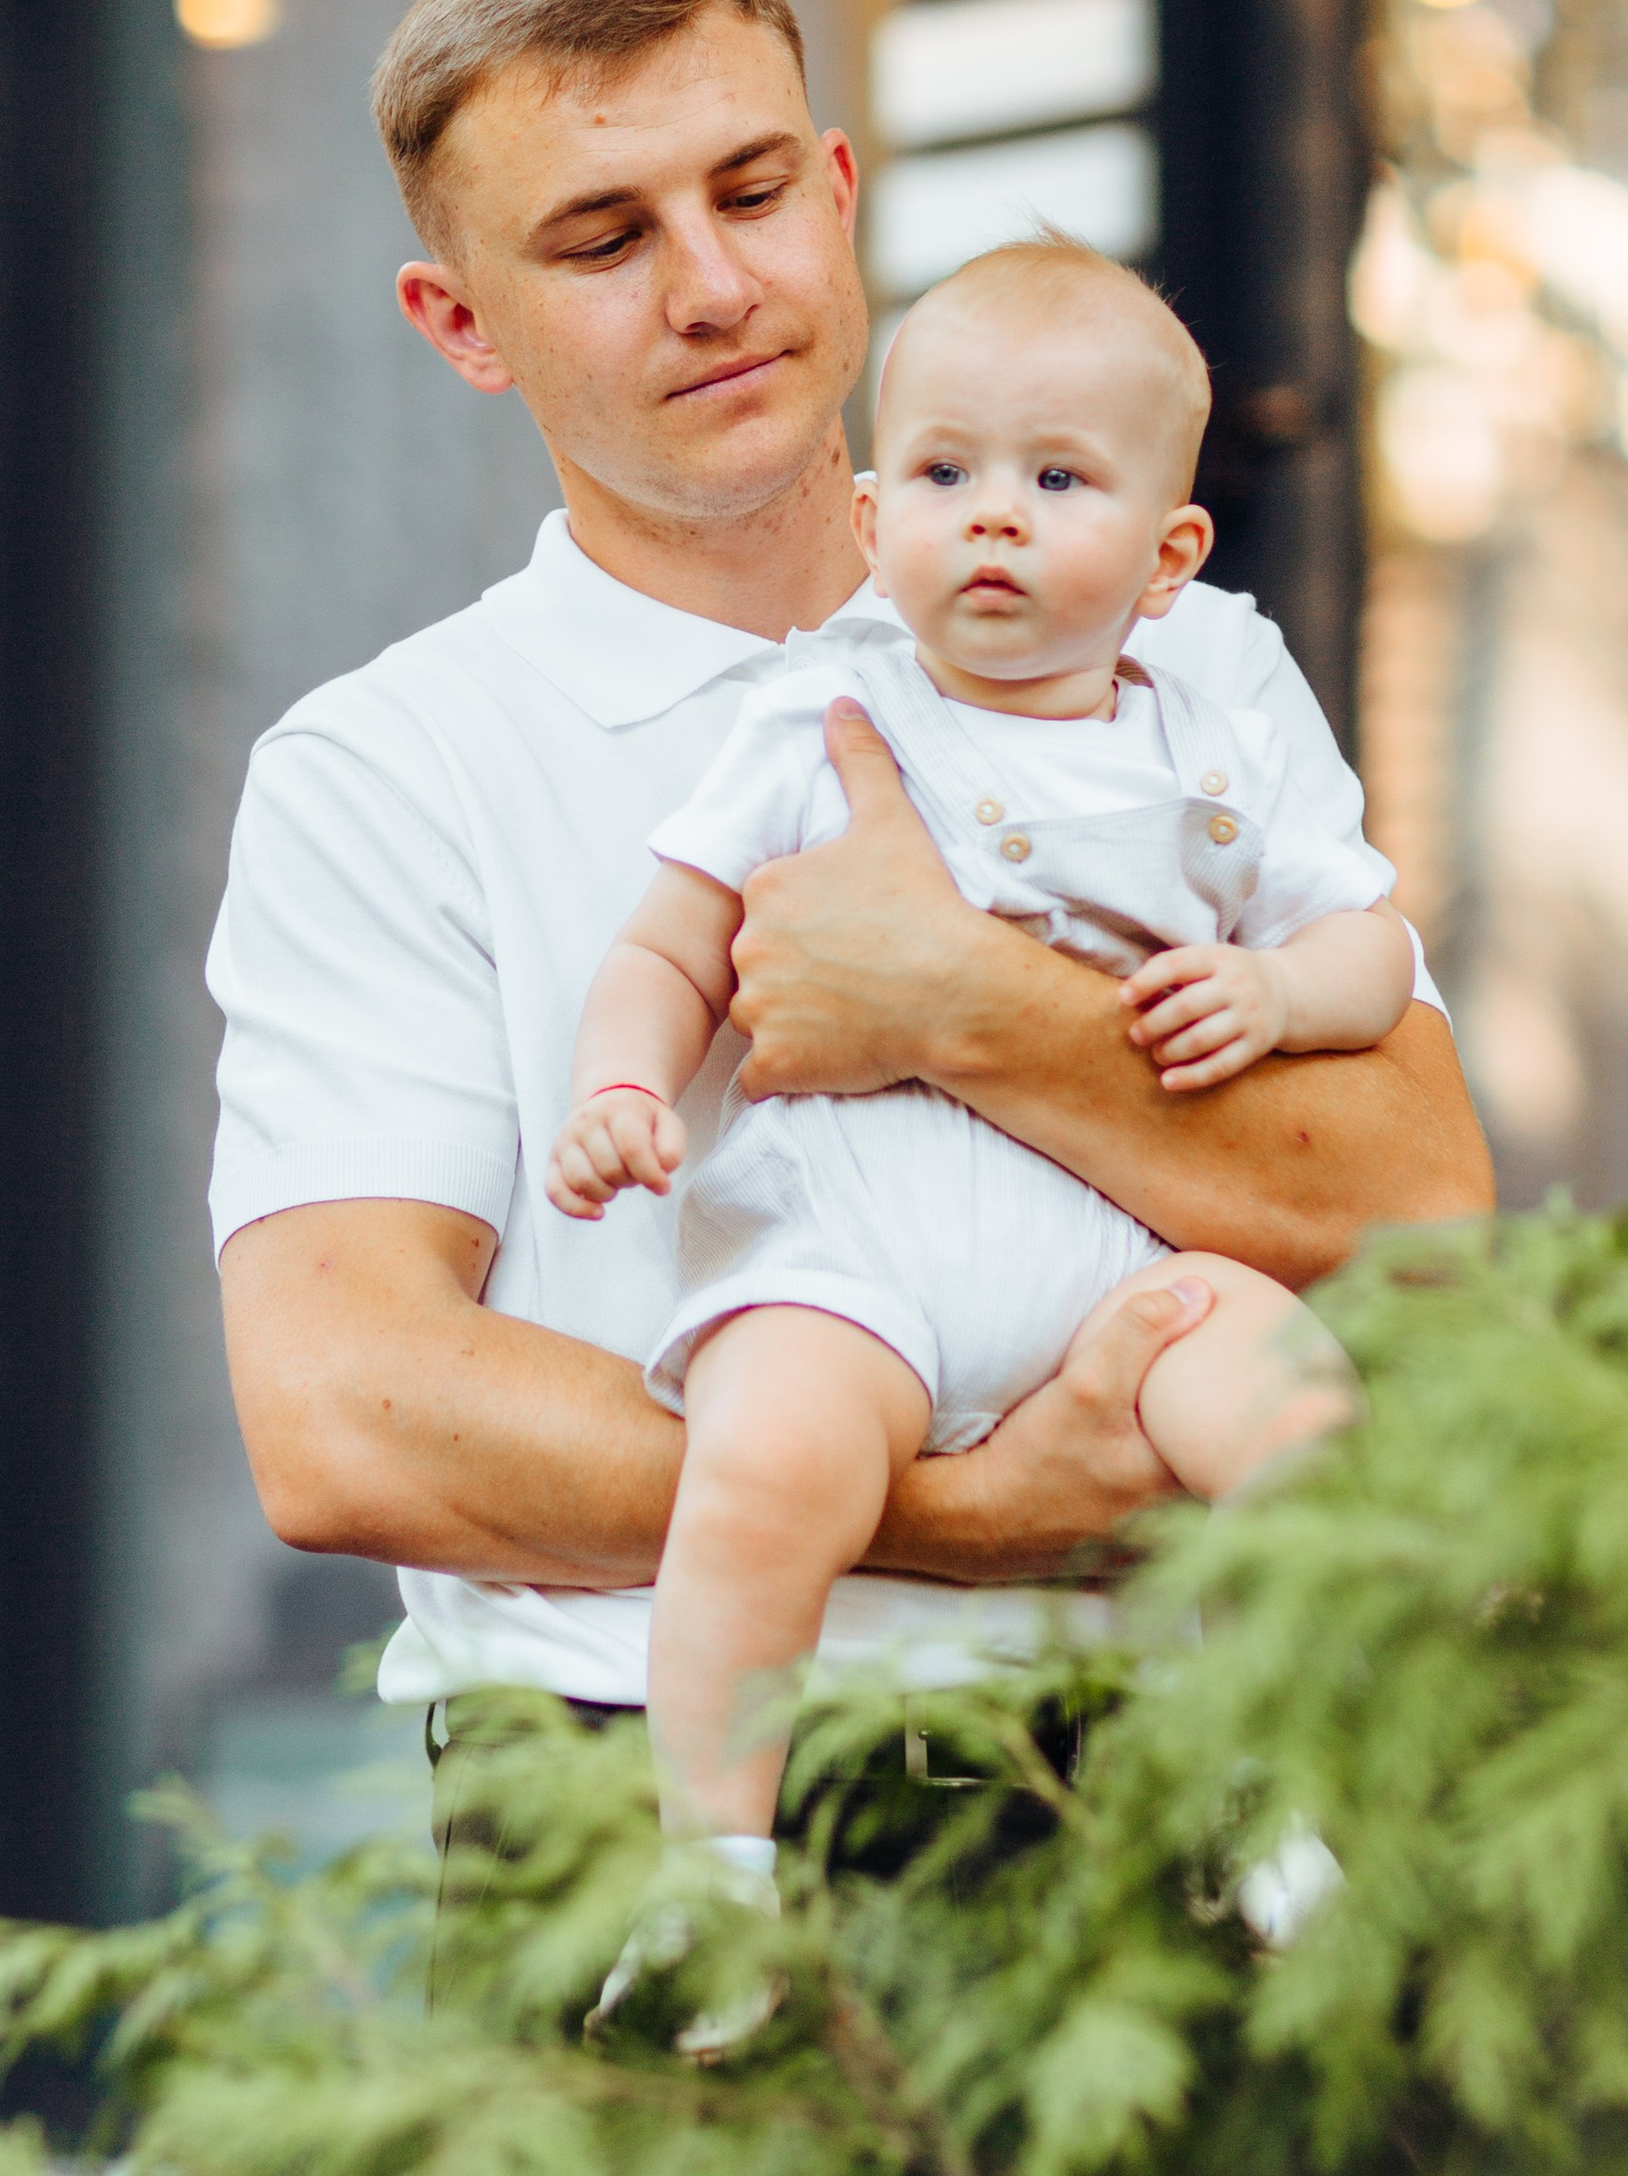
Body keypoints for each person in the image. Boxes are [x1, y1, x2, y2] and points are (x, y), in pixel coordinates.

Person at [205, 0, 1491, 2176]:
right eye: (604, 236)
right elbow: (346, 1410)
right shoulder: (395, 770)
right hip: (666, 1856)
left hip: (1189, 1839)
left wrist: (961, 1009)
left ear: (845, 188)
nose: (717, 284)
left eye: (755, 187)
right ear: (465, 325)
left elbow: (1419, 1204)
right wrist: (970, 1502)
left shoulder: (1193, 659)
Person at [545, 235, 1413, 1903]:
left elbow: (1369, 942)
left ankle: (1290, 1782)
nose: (994, 512)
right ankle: (713, 1864)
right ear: (876, 526)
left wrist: (1278, 987)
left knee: (1303, 1424)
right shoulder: (814, 716)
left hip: (1124, 1276)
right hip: (854, 1257)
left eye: (1058, 476)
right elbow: (666, 944)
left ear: (1169, 556)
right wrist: (624, 1084)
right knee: (763, 1465)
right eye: (945, 470)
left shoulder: (1207, 734)